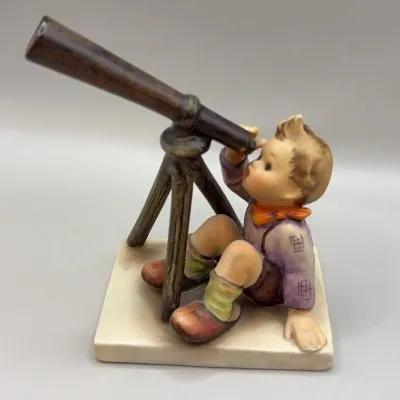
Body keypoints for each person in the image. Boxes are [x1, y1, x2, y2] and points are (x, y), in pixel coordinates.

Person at [141, 114, 333, 353]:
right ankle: (186, 269)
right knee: (221, 225)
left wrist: (301, 313)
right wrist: (235, 155)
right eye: (260, 157)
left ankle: (217, 309)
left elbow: (300, 271)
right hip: (249, 259)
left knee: (239, 251)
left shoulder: (292, 235)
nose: (254, 165)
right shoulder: (262, 200)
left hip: (266, 287)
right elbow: (235, 180)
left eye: (268, 166)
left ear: (291, 193)